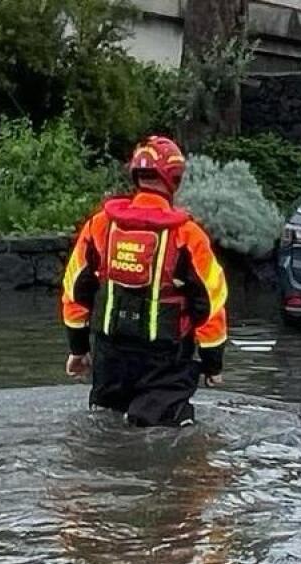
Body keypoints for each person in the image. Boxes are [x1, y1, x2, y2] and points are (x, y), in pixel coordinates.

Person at [61, 135, 228, 427]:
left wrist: (78, 350)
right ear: (174, 178)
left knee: (106, 426)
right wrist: (213, 363)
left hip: (109, 357)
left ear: (135, 174)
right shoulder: (187, 235)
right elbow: (211, 304)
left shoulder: (101, 224)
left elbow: (75, 290)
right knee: (165, 432)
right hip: (165, 360)